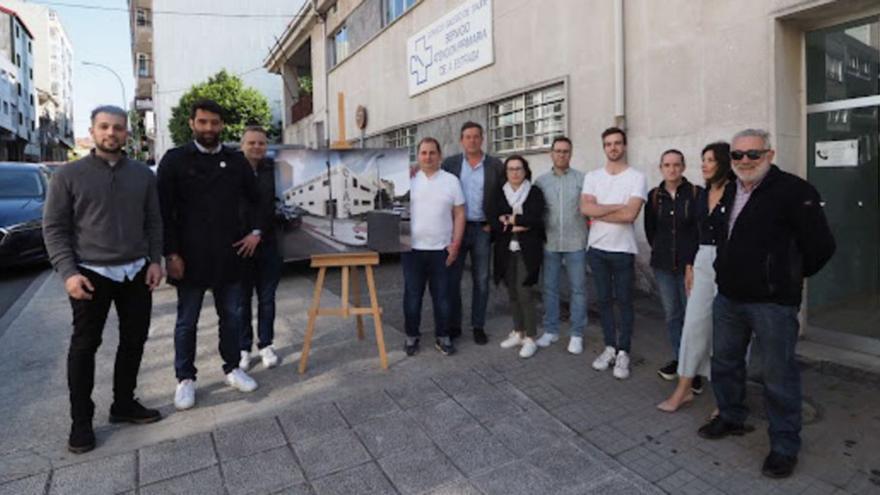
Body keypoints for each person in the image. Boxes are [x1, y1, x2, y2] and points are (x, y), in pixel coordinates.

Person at [698, 129, 835, 479]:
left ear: (769, 155)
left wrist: (783, 279)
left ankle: (784, 446)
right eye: (738, 155)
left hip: (772, 305)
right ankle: (730, 416)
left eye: (753, 154)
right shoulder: (731, 189)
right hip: (729, 297)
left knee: (778, 375)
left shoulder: (795, 191)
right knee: (725, 362)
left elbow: (821, 247)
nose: (744, 161)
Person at [43, 105, 164, 454]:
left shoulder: (142, 174)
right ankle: (81, 422)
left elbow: (154, 222)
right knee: (84, 347)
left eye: (118, 128)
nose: (112, 133)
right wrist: (68, 273)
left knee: (134, 340)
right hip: (89, 274)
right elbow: (54, 229)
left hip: (136, 271)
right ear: (93, 131)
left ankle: (123, 403)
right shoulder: (68, 176)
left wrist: (154, 261)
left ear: (128, 133)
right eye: (105, 127)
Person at [157, 99, 263, 410]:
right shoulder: (174, 160)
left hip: (229, 255)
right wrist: (170, 253)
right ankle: (185, 379)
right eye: (202, 122)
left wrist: (255, 233)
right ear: (192, 123)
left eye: (214, 123)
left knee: (231, 317)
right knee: (186, 322)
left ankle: (232, 368)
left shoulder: (235, 160)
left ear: (222, 125)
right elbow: (162, 211)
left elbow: (257, 200)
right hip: (188, 258)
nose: (209, 128)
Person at [657, 142, 731, 412]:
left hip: (730, 262)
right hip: (701, 260)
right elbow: (694, 232)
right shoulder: (704, 194)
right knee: (693, 325)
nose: (705, 164)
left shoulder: (735, 191)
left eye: (710, 160)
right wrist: (690, 264)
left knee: (728, 330)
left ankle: (727, 399)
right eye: (703, 159)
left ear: (723, 162)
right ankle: (684, 389)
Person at [580, 127, 647, 379]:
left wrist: (600, 209)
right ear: (603, 147)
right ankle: (609, 346)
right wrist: (618, 205)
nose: (613, 147)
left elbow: (630, 215)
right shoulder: (593, 176)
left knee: (625, 302)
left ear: (625, 146)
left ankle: (624, 352)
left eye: (617, 143)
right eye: (608, 144)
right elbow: (586, 209)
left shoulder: (636, 177)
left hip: (623, 250)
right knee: (604, 301)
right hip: (596, 249)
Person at [441, 122, 505, 345]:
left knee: (482, 280)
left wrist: (493, 224)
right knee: (453, 280)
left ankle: (478, 325)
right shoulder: (450, 164)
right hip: (456, 230)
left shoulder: (496, 165)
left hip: (482, 230)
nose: (472, 141)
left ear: (482, 138)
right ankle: (454, 326)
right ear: (461, 140)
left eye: (476, 137)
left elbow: (504, 197)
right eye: (467, 137)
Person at [403, 137, 465, 356]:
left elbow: (459, 214)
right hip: (412, 251)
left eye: (432, 153)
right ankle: (412, 336)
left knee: (443, 297)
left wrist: (455, 244)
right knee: (412, 297)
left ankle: (443, 337)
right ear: (418, 156)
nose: (427, 157)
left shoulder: (451, 181)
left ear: (440, 155)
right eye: (423, 153)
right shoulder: (408, 180)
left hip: (442, 251)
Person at [644, 150, 700, 381]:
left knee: (692, 317)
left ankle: (694, 367)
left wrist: (694, 262)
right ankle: (680, 359)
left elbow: (700, 230)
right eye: (667, 165)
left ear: (684, 167)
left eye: (676, 165)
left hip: (691, 267)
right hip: (664, 266)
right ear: (661, 168)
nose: (672, 169)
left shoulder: (696, 194)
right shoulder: (655, 196)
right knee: (672, 315)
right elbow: (650, 230)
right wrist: (661, 249)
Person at [534, 137, 588, 354]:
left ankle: (576, 333)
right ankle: (551, 330)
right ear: (551, 154)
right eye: (558, 151)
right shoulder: (541, 182)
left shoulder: (582, 179)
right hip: (550, 242)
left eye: (566, 151)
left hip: (576, 242)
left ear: (571, 154)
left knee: (578, 289)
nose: (562, 155)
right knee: (550, 288)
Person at [492, 156, 546, 358]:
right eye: (511, 169)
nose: (515, 172)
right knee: (512, 291)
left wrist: (512, 219)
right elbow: (494, 218)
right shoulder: (500, 193)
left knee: (525, 292)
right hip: (506, 249)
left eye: (519, 168)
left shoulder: (534, 192)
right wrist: (519, 224)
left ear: (525, 171)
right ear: (505, 172)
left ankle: (531, 337)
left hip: (528, 250)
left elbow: (536, 219)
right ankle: (519, 331)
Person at [237, 126, 282, 371]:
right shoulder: (232, 170)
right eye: (252, 143)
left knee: (267, 299)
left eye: (261, 143)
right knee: (242, 301)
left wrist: (257, 233)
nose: (257, 147)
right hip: (239, 247)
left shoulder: (272, 169)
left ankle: (266, 344)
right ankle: (244, 349)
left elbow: (269, 205)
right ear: (242, 145)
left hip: (267, 245)